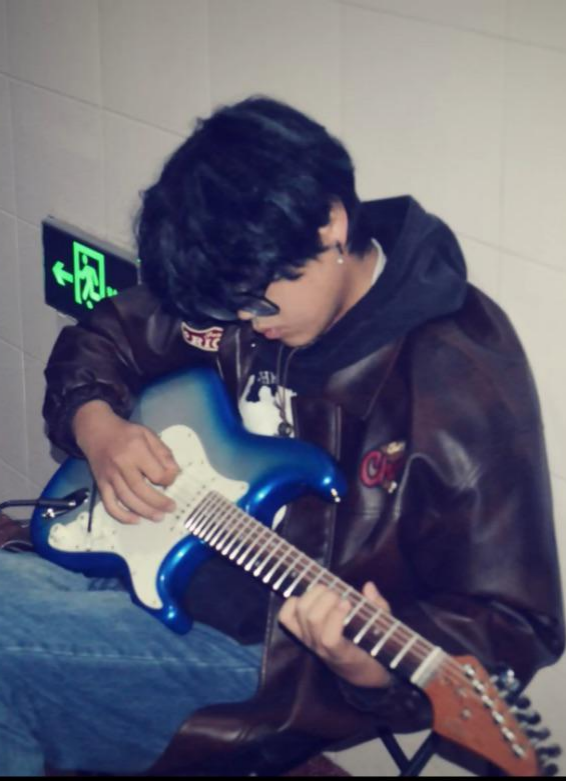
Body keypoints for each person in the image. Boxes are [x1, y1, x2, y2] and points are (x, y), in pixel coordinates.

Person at [1, 96, 563, 776]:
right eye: (230, 305)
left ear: (331, 226)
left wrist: (369, 668)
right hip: (134, 558)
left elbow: (516, 619)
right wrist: (99, 429)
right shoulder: (244, 272)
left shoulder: (458, 376)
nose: (247, 321)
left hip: (265, 664)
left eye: (258, 301)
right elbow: (106, 336)